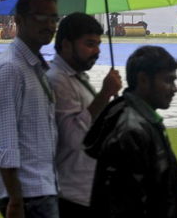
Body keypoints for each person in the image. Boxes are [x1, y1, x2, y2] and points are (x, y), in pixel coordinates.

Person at [83, 46, 177, 218]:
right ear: (143, 80)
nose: (174, 89)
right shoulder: (130, 131)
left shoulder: (143, 121)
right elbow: (123, 207)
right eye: (168, 81)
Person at [0, 0, 61, 218]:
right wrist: (16, 201)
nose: (49, 25)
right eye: (40, 17)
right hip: (27, 194)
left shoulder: (35, 67)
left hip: (42, 186)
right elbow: (4, 142)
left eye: (54, 18)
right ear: (19, 19)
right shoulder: (10, 70)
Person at [48, 13, 122, 217]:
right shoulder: (57, 81)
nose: (97, 51)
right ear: (66, 45)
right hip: (73, 196)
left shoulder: (77, 78)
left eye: (98, 44)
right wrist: (104, 94)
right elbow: (73, 137)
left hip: (90, 191)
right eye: (89, 44)